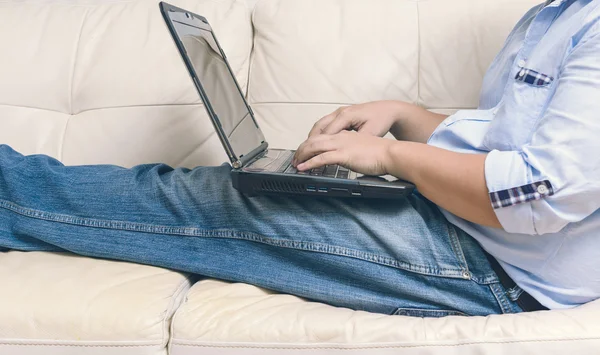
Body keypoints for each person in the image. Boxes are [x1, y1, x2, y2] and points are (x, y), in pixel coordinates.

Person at [1, 0, 599, 317]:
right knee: (242, 189)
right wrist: (408, 114)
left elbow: (540, 193)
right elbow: (509, 138)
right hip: (466, 219)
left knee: (213, 200)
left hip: (503, 270)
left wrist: (394, 156)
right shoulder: (555, 15)